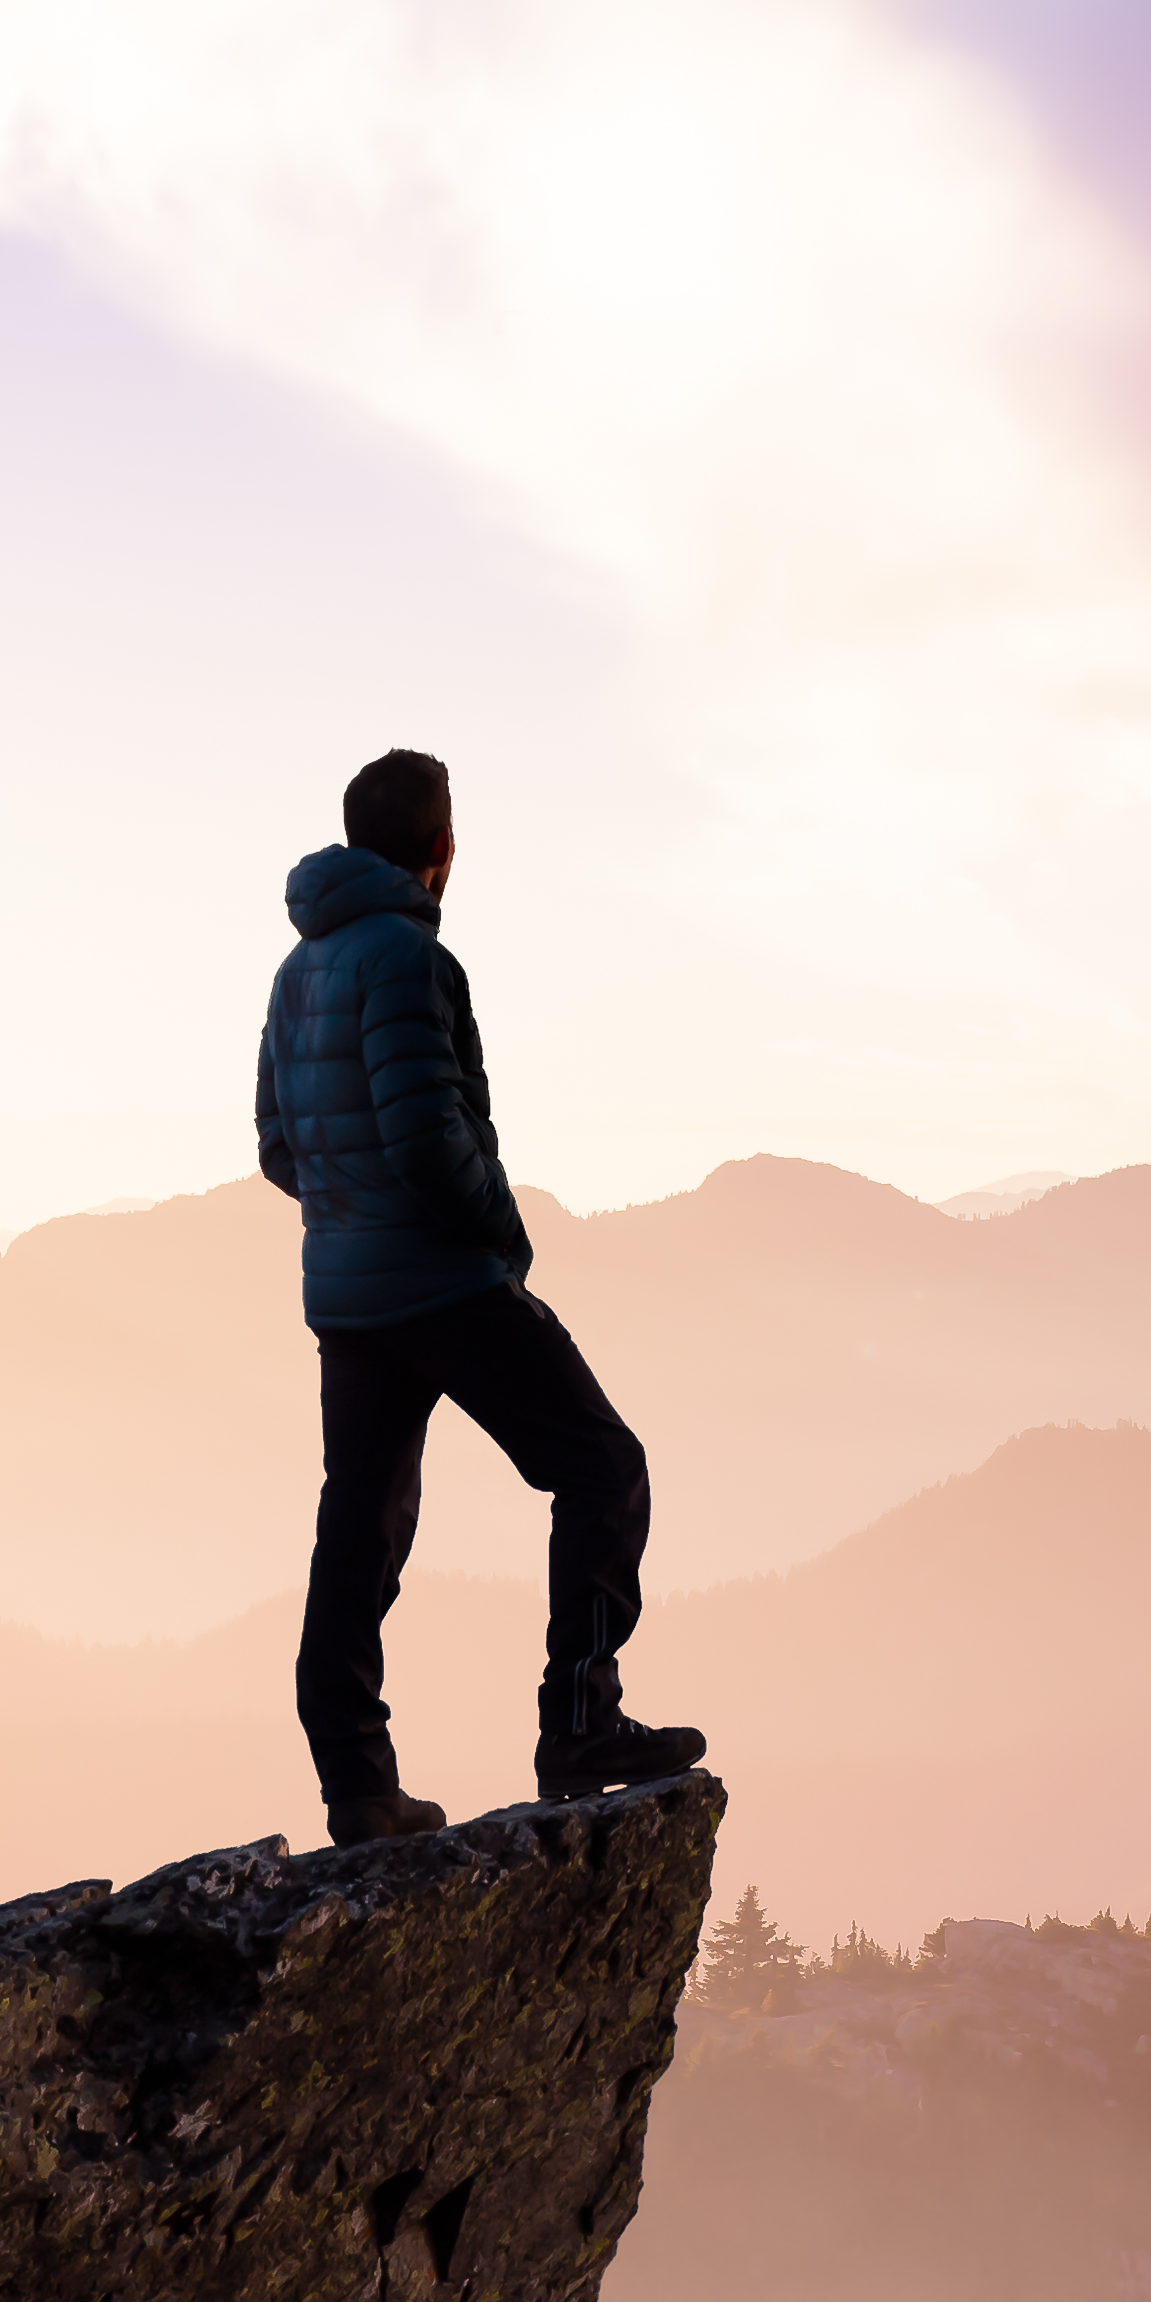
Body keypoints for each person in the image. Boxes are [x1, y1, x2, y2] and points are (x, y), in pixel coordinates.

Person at [255, 746, 707, 1841]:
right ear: (440, 848)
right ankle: (580, 1724)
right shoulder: (410, 961)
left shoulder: (299, 968)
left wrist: (348, 1220)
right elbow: (427, 1135)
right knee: (603, 1467)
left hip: (350, 1298)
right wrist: (501, 1236)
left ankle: (359, 1787)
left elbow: (279, 1147)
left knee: (358, 1530)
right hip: (444, 1281)